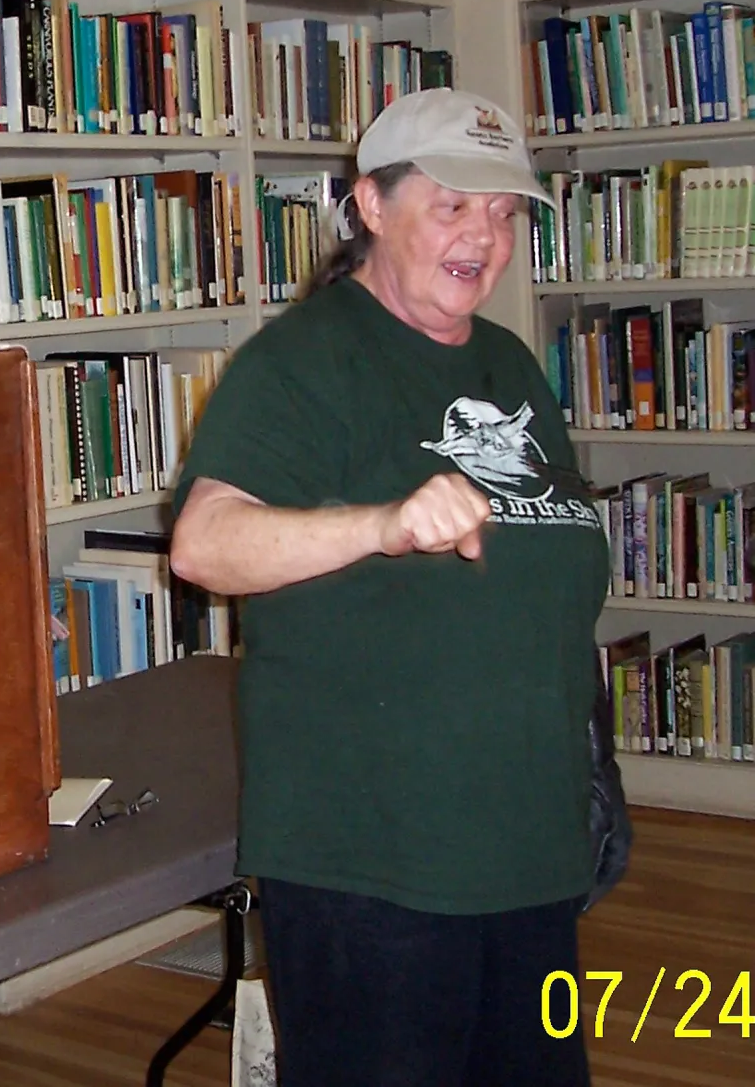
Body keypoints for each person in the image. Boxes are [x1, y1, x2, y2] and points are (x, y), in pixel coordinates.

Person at [169, 88, 607, 1087]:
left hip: (522, 849)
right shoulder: (300, 364)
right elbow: (204, 544)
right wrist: (380, 525)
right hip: (373, 868)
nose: (482, 236)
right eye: (451, 205)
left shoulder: (504, 362)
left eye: (501, 212)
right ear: (369, 205)